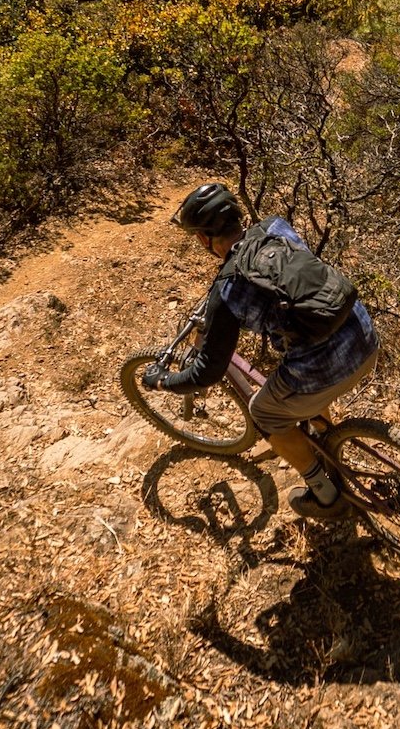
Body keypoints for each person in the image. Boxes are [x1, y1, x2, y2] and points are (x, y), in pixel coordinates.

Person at [144, 182, 379, 519]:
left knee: (264, 412)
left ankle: (326, 495)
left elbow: (207, 372)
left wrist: (163, 381)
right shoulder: (275, 227)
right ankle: (330, 448)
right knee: (304, 375)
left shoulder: (227, 292)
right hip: (363, 333)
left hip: (329, 366)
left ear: (203, 239)